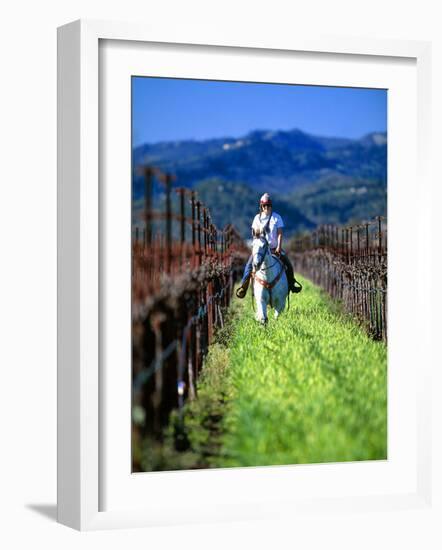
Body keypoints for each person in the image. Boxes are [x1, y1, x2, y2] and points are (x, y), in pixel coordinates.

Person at [236, 193, 297, 298]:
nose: (266, 207)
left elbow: (280, 234)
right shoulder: (256, 218)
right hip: (261, 249)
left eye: (268, 205)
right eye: (264, 205)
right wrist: (257, 231)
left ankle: (291, 284)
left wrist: (278, 247)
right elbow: (254, 234)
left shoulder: (277, 218)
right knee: (249, 266)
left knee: (288, 264)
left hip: (273, 249)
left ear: (271, 206)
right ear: (261, 206)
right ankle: (243, 287)